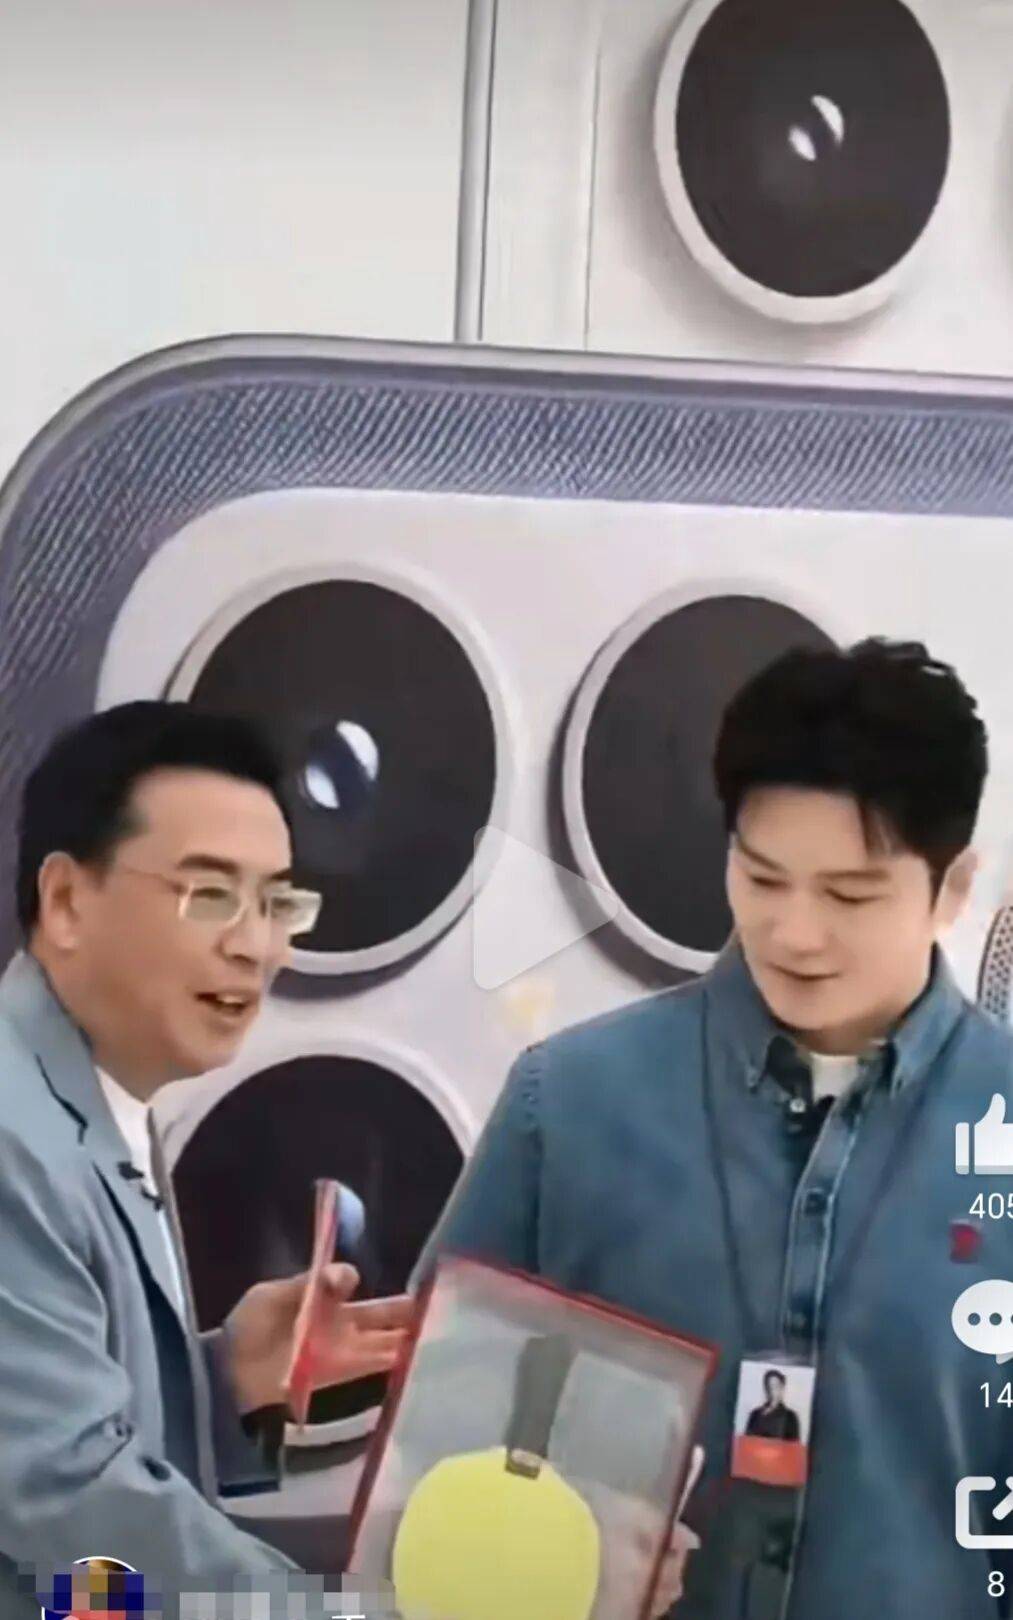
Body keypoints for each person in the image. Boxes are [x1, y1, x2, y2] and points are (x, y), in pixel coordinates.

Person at [416, 638, 1013, 1619]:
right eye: (761, 878)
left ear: (951, 888)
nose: (794, 933)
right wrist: (540, 1547)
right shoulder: (565, 1105)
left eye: (848, 894)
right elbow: (429, 1458)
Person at [0, 702, 413, 1619]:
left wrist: (221, 1382)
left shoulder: (94, 1092)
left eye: (276, 904)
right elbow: (70, 1505)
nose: (254, 945)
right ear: (65, 901)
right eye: (211, 896)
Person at [745, 1371, 800, 1442]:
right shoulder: (755, 1414)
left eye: (776, 1386)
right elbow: (747, 1441)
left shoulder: (791, 1417)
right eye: (769, 1386)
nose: (772, 1390)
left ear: (782, 1388)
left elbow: (794, 1445)